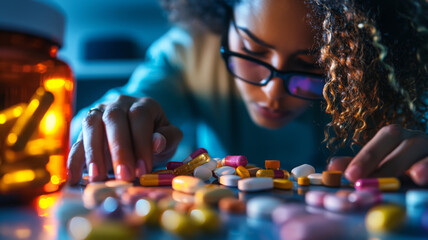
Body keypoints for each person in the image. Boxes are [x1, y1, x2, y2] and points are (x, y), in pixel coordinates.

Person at [67, 0, 428, 186]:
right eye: (252, 54)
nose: (273, 94)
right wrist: (110, 120)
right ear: (223, 22)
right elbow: (119, 107)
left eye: (310, 67)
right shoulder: (186, 51)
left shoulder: (369, 76)